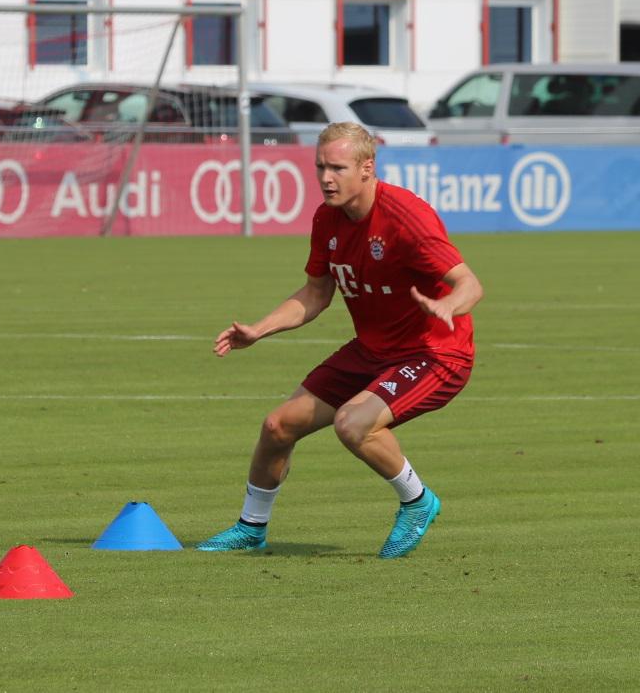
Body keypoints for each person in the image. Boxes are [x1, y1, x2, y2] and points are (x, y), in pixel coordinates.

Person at [197, 121, 483, 558]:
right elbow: (315, 294)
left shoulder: (405, 217)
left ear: (367, 168)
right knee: (278, 426)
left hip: (435, 353)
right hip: (373, 350)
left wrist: (449, 305)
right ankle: (251, 527)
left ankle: (417, 501)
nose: (326, 178)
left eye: (337, 168)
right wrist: (259, 329)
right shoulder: (326, 218)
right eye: (320, 167)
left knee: (353, 423)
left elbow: (469, 284)